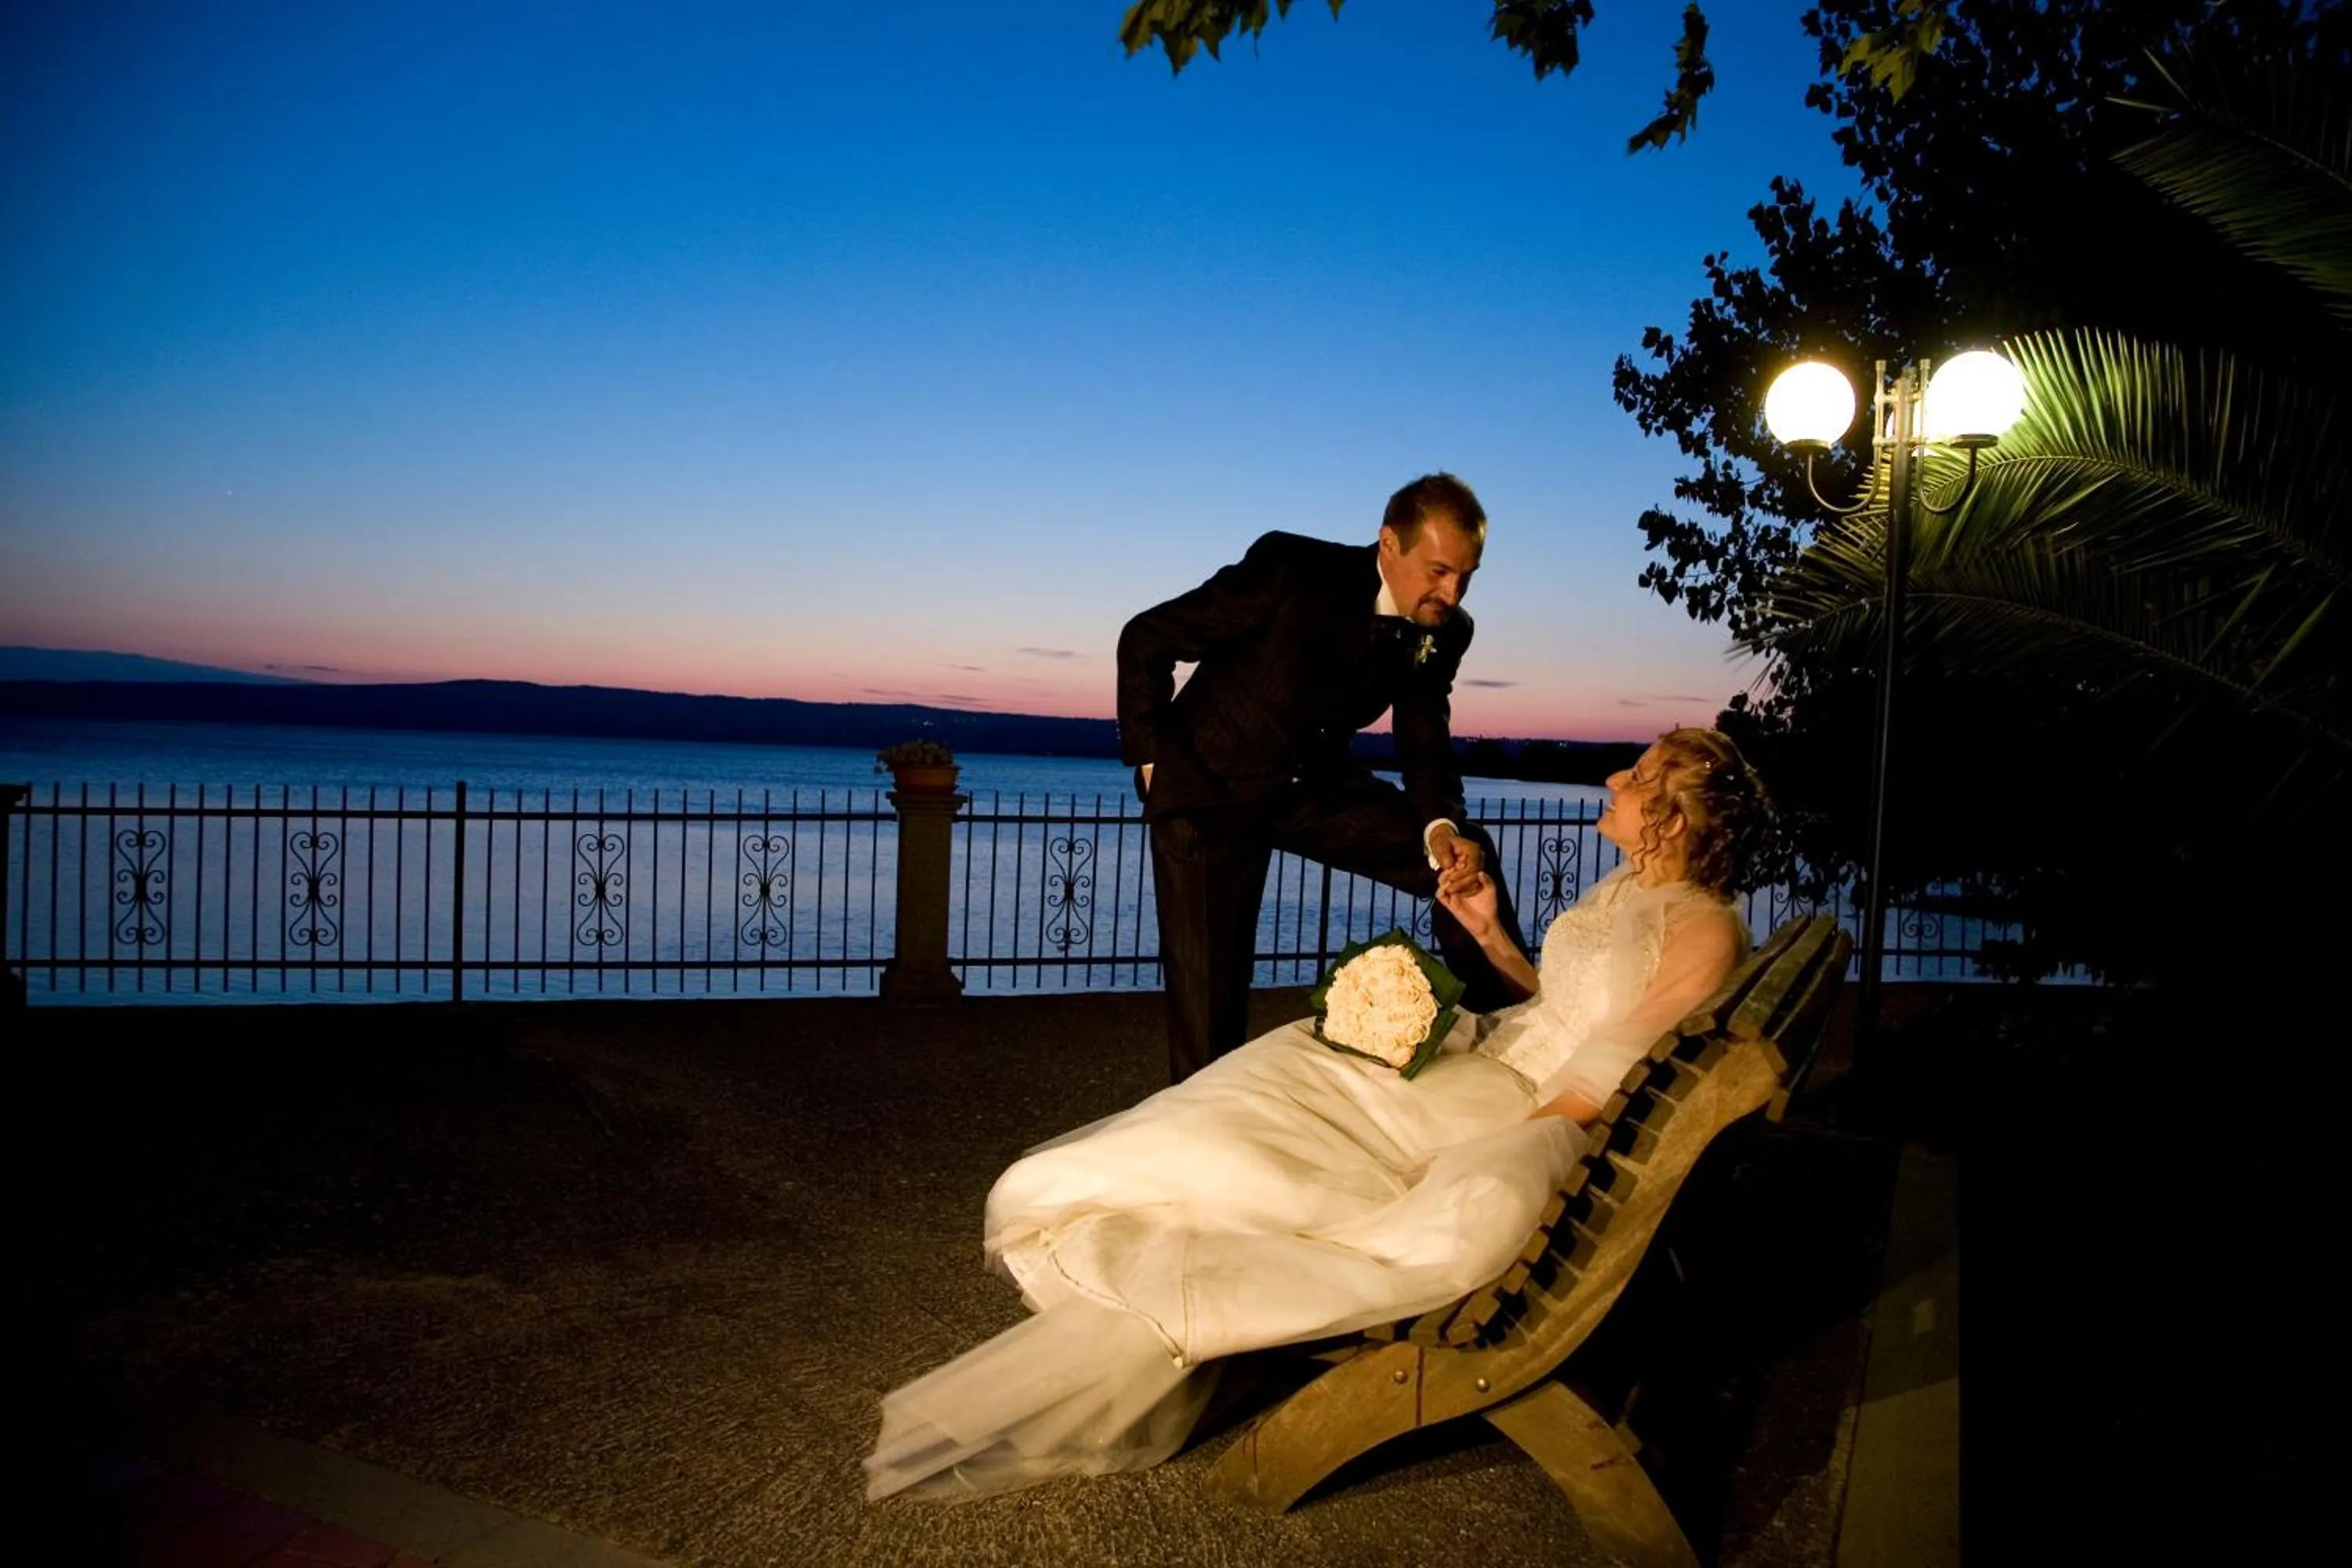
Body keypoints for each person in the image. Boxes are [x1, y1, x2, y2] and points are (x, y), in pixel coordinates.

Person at [863, 728, 1773, 1502]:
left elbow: (1610, 1068)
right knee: (1286, 1065)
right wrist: (1492, 932)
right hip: (1501, 1062)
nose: (1615, 780)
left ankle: (1159, 1202)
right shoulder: (1628, 895)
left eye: (1640, 775)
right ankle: (1151, 1171)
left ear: (1674, 816)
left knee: (1281, 1120)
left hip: (1512, 1108)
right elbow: (1569, 1013)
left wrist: (1484, 1145)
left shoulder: (1701, 928)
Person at [1116, 473, 1526, 1083]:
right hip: (1211, 787)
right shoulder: (1292, 569)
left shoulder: (1448, 630)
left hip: (1312, 787)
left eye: (1468, 575)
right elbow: (1146, 639)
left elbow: (1423, 738)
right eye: (1440, 570)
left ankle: (1513, 1044)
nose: (1454, 590)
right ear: (1390, 543)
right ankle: (1204, 1146)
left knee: (1465, 861)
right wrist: (1153, 763)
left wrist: (1440, 828)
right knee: (1211, 1012)